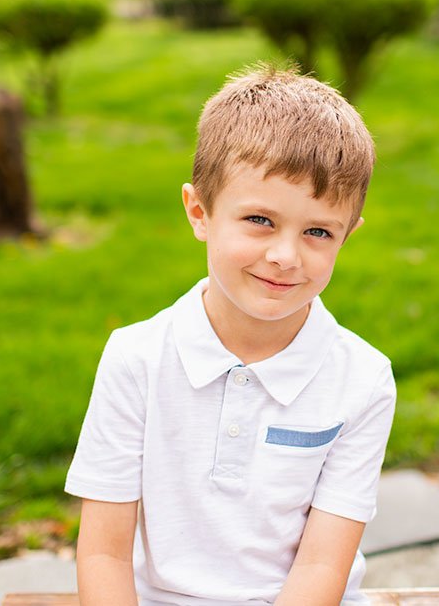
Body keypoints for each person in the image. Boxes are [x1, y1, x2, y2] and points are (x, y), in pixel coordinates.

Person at [65, 65, 397, 606]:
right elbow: (103, 553)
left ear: (347, 235)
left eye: (317, 231)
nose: (285, 257)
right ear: (200, 211)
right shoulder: (136, 359)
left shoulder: (362, 379)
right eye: (260, 221)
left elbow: (322, 563)